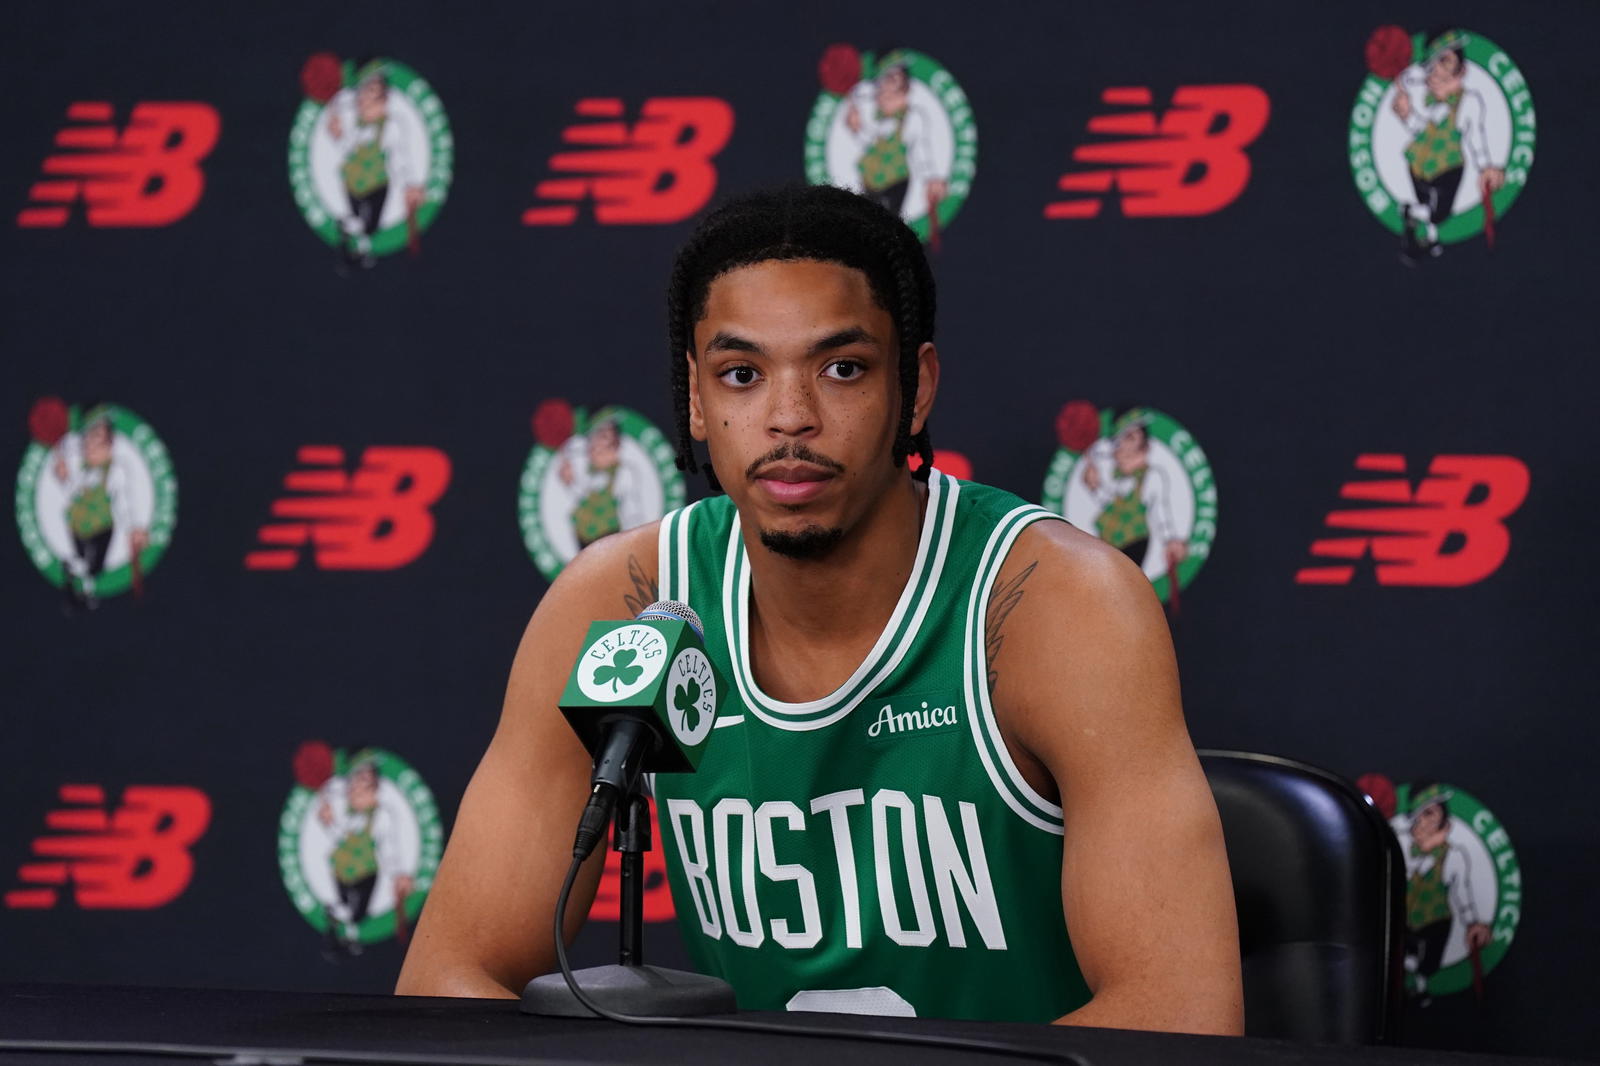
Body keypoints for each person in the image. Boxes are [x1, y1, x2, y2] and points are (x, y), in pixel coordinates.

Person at [397, 185, 1241, 1032]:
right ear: (695, 398)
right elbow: (450, 975)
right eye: (742, 375)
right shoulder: (625, 604)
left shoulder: (1050, 603)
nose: (789, 419)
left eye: (843, 369)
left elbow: (1181, 1017)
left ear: (915, 387)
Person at [1390, 29, 1506, 262]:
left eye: (1445, 62)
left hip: (1447, 168)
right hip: (1418, 165)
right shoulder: (1429, 101)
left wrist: (1485, 167)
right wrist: (1407, 114)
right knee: (1429, 207)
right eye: (1432, 65)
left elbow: (1475, 136)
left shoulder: (1470, 102)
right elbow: (1421, 131)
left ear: (1461, 71)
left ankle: (1412, 216)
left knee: (1439, 213)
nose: (1436, 72)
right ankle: (1428, 236)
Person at [1401, 783, 1491, 996]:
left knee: (1429, 960)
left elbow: (1462, 891)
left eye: (1430, 813)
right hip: (1405, 918)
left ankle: (1422, 985)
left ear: (1442, 816)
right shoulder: (1403, 847)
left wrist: (1472, 923)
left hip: (1436, 920)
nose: (1425, 820)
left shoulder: (1454, 855)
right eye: (1420, 815)